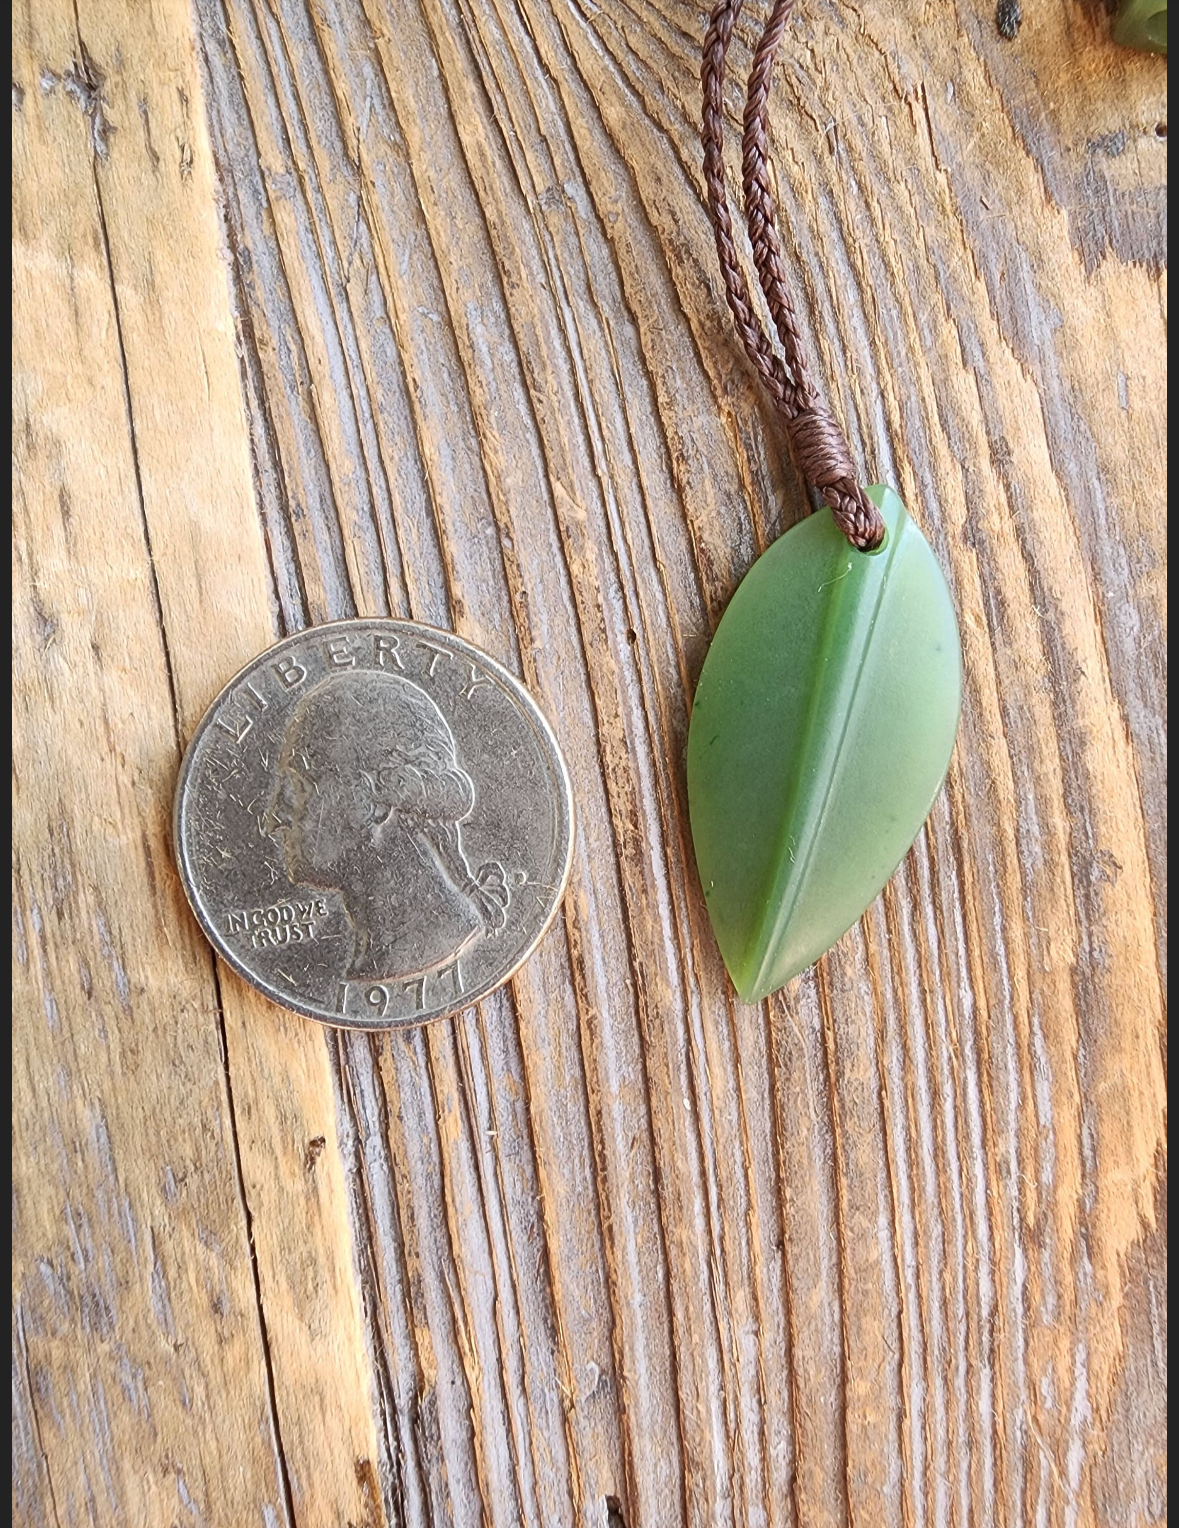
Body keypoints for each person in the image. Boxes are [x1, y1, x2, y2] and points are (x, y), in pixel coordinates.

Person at [267, 667, 509, 982]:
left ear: (379, 801)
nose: (275, 818)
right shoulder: (386, 950)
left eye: (300, 786)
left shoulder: (415, 945)